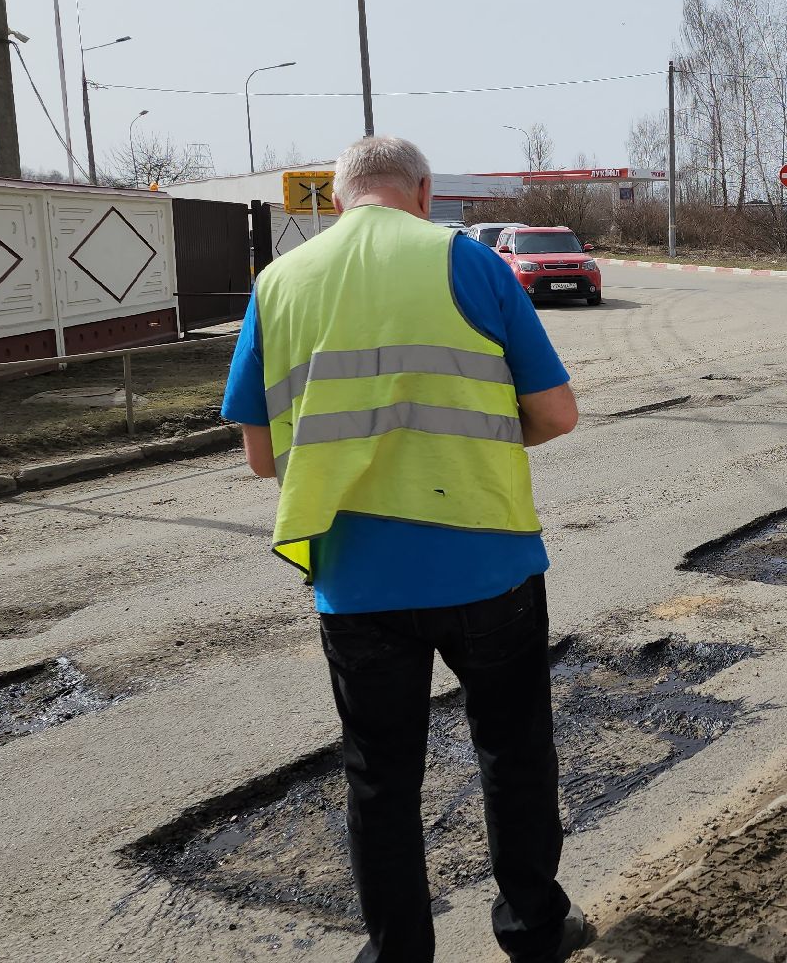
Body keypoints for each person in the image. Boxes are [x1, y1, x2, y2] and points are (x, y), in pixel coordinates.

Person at [222, 136, 595, 962]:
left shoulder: (279, 283)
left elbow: (262, 457)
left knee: (380, 779)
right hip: (488, 564)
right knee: (513, 753)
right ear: (423, 193)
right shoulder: (471, 263)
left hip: (356, 579)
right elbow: (557, 413)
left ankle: (398, 955)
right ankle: (535, 931)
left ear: (338, 198)